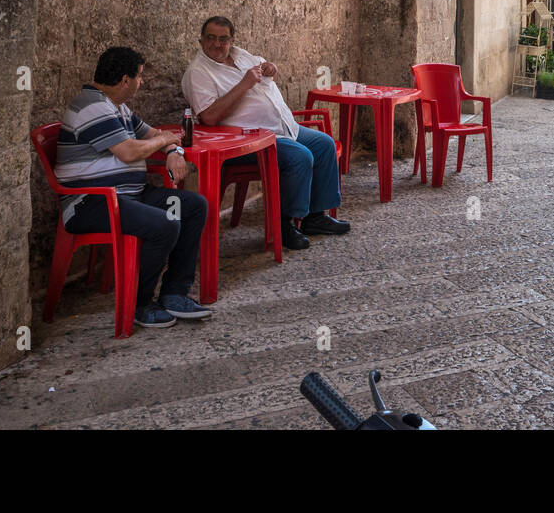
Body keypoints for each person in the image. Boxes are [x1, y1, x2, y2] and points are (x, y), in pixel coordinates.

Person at [57, 46, 212, 329]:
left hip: (130, 196)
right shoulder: (91, 106)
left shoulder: (118, 108)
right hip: (91, 204)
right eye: (140, 76)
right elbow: (130, 152)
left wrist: (172, 151)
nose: (142, 83)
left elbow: (153, 135)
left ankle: (174, 292)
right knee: (164, 223)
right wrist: (165, 140)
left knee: (191, 207)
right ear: (125, 80)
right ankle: (140, 304)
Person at [182, 16, 347, 251]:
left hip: (283, 126)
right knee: (300, 157)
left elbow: (264, 70)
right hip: (249, 139)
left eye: (223, 39)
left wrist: (271, 68)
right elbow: (208, 117)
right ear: (200, 40)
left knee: (324, 145)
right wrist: (244, 84)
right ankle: (284, 225)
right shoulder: (198, 73)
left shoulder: (242, 55)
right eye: (210, 38)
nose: (217, 44)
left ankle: (315, 217)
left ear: (231, 40)